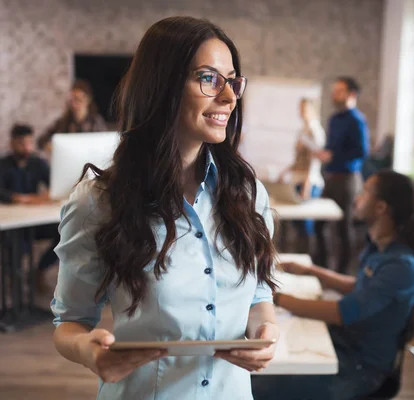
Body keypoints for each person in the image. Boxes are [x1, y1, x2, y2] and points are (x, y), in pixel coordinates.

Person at [50, 17, 280, 400]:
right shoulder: (97, 202)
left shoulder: (247, 193)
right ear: (162, 86)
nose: (228, 97)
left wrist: (264, 331)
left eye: (232, 80)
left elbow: (258, 296)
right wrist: (88, 352)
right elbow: (69, 323)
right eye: (209, 79)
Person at [252, 170, 414, 400]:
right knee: (258, 371)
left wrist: (274, 298)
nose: (357, 197)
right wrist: (311, 271)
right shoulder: (381, 248)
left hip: (360, 367)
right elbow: (361, 287)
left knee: (256, 388)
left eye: (365, 193)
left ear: (381, 208)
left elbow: (342, 312)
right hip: (344, 345)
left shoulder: (401, 265)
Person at [313, 77, 370, 274]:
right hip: (331, 178)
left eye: (339, 91)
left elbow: (362, 151)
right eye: (334, 90)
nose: (334, 94)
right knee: (319, 224)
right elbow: (331, 148)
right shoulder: (334, 119)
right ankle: (322, 268)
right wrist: (323, 154)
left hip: (348, 180)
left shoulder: (357, 120)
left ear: (351, 94)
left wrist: (334, 155)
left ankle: (342, 273)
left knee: (343, 229)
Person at [0, 124, 59, 291]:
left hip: (34, 220)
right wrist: (23, 199)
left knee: (64, 232)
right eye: (21, 143)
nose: (26, 147)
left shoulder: (37, 163)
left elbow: (54, 185)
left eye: (29, 142)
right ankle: (15, 282)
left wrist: (47, 195)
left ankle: (40, 270)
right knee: (17, 243)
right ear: (12, 143)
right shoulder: (3, 164)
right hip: (12, 223)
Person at [278, 98, 326, 252]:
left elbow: (315, 158)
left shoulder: (315, 130)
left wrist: (307, 182)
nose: (301, 112)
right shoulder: (302, 130)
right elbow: (299, 159)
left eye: (304, 109)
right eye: (300, 108)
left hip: (309, 182)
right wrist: (285, 172)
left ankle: (308, 259)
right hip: (297, 179)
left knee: (306, 223)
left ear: (313, 110)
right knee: (297, 223)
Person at [37, 79, 108, 151]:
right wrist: (48, 146)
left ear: (87, 99)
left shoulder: (96, 121)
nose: (74, 104)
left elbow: (105, 143)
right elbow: (41, 140)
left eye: (78, 99)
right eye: (72, 100)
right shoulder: (64, 121)